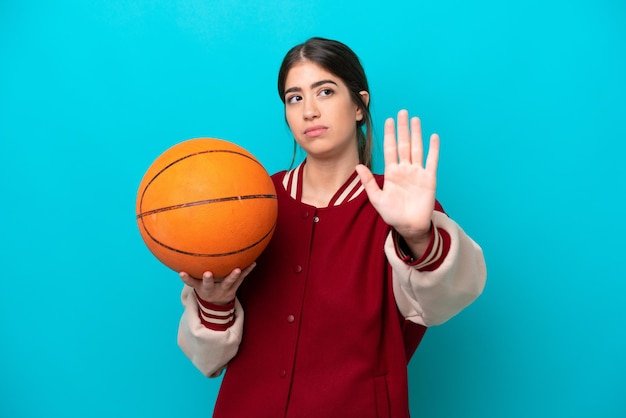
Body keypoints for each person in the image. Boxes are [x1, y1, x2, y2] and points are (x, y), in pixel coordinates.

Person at [177, 37, 486, 418]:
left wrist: (419, 237)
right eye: (295, 98)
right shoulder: (252, 202)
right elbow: (208, 360)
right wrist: (215, 302)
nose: (309, 111)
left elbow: (443, 302)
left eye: (325, 91)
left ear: (360, 105)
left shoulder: (401, 205)